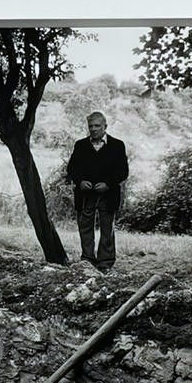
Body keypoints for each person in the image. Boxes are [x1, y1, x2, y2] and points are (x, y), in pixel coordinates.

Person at [64, 111, 129, 270]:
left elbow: (123, 171)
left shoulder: (117, 145)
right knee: (85, 227)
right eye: (91, 126)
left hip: (108, 195)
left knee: (107, 228)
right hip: (86, 195)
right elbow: (72, 168)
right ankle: (87, 260)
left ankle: (105, 262)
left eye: (97, 126)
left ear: (105, 127)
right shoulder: (81, 145)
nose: (93, 129)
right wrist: (80, 181)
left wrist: (108, 184)